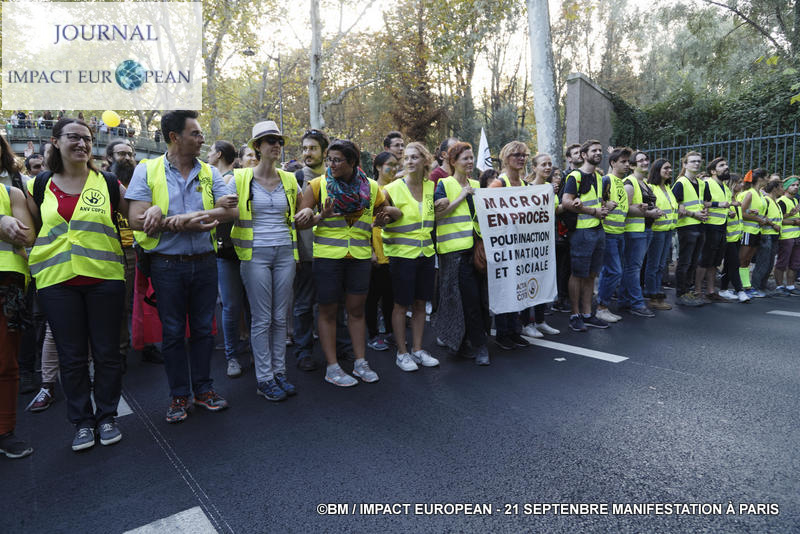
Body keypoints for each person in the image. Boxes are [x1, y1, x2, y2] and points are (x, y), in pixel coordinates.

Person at [126, 110, 238, 424]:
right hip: (165, 266)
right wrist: (161, 213)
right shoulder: (146, 170)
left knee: (203, 330)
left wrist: (184, 219)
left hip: (204, 262)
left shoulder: (209, 171)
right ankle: (179, 395)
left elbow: (231, 212)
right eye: (195, 133)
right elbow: (137, 217)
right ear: (175, 137)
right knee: (173, 333)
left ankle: (204, 390)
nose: (202, 139)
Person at [25, 118, 128, 451]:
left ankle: (108, 416)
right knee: (71, 357)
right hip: (57, 283)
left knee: (107, 353)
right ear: (55, 141)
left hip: (105, 278)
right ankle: (82, 422)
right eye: (74, 137)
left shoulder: (108, 182)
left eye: (87, 138)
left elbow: (137, 214)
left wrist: (163, 217)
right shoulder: (37, 186)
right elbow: (28, 230)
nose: (82, 144)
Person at [295, 139, 386, 386]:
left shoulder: (373, 187)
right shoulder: (317, 185)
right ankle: (333, 367)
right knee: (328, 312)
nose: (331, 165)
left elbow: (386, 213)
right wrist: (317, 216)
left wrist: (388, 217)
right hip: (327, 259)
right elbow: (300, 222)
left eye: (337, 160)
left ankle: (360, 362)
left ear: (353, 162)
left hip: (359, 257)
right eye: (329, 160)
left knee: (356, 311)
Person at [230, 121, 301, 401]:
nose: (276, 145)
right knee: (261, 319)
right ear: (256, 146)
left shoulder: (290, 179)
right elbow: (222, 210)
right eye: (269, 140)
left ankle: (280, 373)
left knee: (280, 317)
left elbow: (299, 214)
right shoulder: (237, 178)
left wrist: (314, 216)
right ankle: (264, 378)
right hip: (255, 253)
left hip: (285, 252)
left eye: (279, 141)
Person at [379, 142, 439, 371]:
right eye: (407, 158)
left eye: (415, 157)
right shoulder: (392, 189)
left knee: (421, 303)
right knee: (401, 305)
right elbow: (380, 220)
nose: (410, 161)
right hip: (401, 255)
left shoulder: (431, 187)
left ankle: (418, 349)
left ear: (425, 161)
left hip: (426, 254)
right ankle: (402, 353)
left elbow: (431, 218)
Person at [431, 142, 490, 364]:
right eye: (465, 158)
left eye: (472, 157)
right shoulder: (443, 185)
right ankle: (474, 344)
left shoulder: (476, 184)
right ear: (453, 162)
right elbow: (437, 216)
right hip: (454, 254)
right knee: (463, 301)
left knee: (478, 299)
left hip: (476, 252)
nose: (470, 162)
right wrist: (461, 196)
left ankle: (473, 341)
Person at [0, 159, 35, 458]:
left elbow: (28, 236)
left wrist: (11, 225)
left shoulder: (11, 193)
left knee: (5, 362)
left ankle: (4, 431)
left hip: (7, 285)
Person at [562, 140, 614, 332]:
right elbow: (566, 202)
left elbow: (599, 201)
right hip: (582, 233)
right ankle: (575, 315)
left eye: (600, 150)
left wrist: (606, 207)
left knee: (592, 274)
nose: (599, 153)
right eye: (594, 150)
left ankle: (587, 313)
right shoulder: (575, 176)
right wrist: (593, 211)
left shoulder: (600, 177)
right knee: (578, 274)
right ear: (584, 155)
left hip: (598, 231)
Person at [209, 140, 250, 377]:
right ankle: (232, 355)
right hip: (226, 251)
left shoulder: (239, 179)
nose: (207, 154)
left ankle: (256, 352)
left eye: (210, 151)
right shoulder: (213, 179)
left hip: (250, 249)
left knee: (252, 306)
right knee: (231, 305)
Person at [488, 141, 536, 347]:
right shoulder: (500, 183)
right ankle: (503, 333)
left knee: (518, 288)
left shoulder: (526, 185)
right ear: (506, 158)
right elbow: (488, 210)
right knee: (504, 290)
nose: (521, 158)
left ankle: (514, 330)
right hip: (503, 246)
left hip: (522, 246)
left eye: (524, 155)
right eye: (516, 155)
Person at [620, 148, 662, 317]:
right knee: (633, 268)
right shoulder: (630, 183)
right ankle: (637, 303)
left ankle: (624, 300)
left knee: (631, 267)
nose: (645, 162)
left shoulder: (645, 183)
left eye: (646, 159)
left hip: (645, 229)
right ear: (631, 166)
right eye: (641, 160)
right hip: (635, 231)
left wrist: (655, 211)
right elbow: (626, 209)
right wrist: (649, 213)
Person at [365, 151, 398, 352]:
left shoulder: (399, 188)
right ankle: (373, 334)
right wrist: (370, 250)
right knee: (373, 296)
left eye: (396, 165)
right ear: (378, 167)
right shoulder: (370, 188)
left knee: (390, 296)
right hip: (377, 249)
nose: (393, 168)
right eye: (389, 165)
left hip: (394, 249)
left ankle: (390, 332)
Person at [596, 147, 631, 323]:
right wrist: (605, 204)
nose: (627, 165)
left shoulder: (621, 182)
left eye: (628, 162)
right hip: (608, 233)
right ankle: (601, 307)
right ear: (612, 163)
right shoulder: (606, 180)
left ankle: (601, 304)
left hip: (619, 233)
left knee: (610, 271)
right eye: (623, 162)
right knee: (614, 271)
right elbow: (595, 201)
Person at [695, 158, 736, 302]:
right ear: (713, 171)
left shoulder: (725, 187)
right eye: (722, 165)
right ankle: (698, 291)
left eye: (726, 164)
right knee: (704, 260)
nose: (727, 167)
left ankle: (711, 291)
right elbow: (702, 202)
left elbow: (725, 206)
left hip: (722, 226)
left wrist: (730, 211)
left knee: (715, 261)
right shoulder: (707, 183)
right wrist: (719, 204)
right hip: (709, 226)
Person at [672, 151, 708, 306]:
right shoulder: (681, 182)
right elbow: (677, 208)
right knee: (685, 262)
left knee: (694, 262)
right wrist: (695, 214)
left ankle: (689, 291)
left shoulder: (701, 183)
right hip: (686, 227)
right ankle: (681, 294)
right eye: (693, 161)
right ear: (685, 164)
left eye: (699, 161)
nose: (696, 164)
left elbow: (704, 203)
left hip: (700, 226)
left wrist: (706, 212)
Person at [644, 157, 679, 310]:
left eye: (670, 168)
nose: (669, 170)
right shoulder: (650, 187)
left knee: (660, 266)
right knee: (654, 265)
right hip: (656, 231)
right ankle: (652, 296)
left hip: (667, 231)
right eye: (665, 168)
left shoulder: (668, 188)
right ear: (657, 170)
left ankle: (657, 294)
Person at [718, 173, 751, 303]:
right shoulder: (727, 199)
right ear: (732, 184)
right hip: (728, 238)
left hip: (736, 237)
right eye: (739, 182)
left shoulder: (735, 199)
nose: (742, 185)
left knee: (728, 265)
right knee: (735, 263)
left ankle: (723, 289)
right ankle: (739, 290)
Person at [737, 169, 769, 297]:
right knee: (742, 259)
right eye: (767, 176)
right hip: (747, 231)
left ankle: (746, 286)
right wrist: (758, 219)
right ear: (760, 179)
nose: (768, 179)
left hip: (756, 231)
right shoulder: (750, 193)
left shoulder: (760, 194)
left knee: (747, 261)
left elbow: (756, 213)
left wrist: (762, 219)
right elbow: (742, 213)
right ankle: (739, 286)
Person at [751, 179, 784, 293]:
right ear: (775, 188)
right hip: (766, 235)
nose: (783, 189)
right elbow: (762, 216)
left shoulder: (776, 202)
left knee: (769, 264)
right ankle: (755, 287)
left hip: (775, 236)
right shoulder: (766, 201)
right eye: (781, 187)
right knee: (763, 263)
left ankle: (762, 286)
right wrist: (773, 224)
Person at [774, 176, 800, 295]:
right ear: (786, 187)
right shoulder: (781, 201)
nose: (796, 187)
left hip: (797, 236)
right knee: (782, 262)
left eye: (797, 185)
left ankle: (790, 286)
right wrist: (795, 221)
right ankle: (779, 286)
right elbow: (779, 219)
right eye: (793, 185)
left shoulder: (795, 201)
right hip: (786, 237)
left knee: (795, 263)